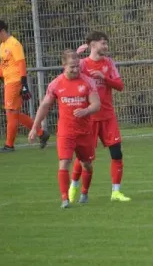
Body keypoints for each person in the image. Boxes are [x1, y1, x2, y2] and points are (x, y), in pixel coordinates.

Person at [28, 50, 100, 208]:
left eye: (77, 66)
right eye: (72, 67)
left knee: (86, 164)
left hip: (85, 131)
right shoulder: (55, 84)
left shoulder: (88, 81)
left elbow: (96, 104)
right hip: (66, 131)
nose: (75, 70)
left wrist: (86, 111)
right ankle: (64, 199)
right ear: (63, 65)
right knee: (64, 162)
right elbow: (45, 106)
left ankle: (85, 192)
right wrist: (35, 127)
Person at [68, 32, 130, 202]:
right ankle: (73, 185)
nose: (106, 46)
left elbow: (120, 86)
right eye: (103, 43)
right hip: (89, 118)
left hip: (108, 116)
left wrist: (105, 78)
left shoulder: (109, 63)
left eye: (106, 43)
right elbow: (67, 75)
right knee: (83, 158)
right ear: (93, 44)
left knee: (117, 154)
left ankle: (116, 192)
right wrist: (76, 55)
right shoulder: (82, 64)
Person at [0, 19, 49, 151]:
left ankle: (9, 145)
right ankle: (41, 133)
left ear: (3, 31)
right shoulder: (3, 45)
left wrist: (24, 84)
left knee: (11, 113)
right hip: (8, 82)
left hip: (15, 82)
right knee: (13, 113)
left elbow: (21, 64)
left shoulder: (14, 44)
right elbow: (3, 64)